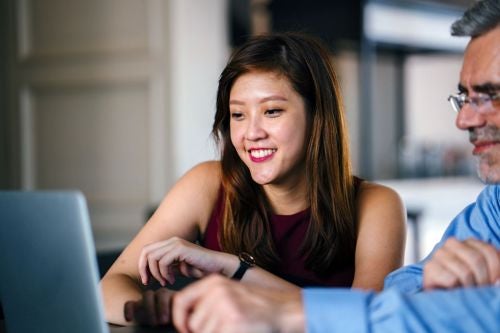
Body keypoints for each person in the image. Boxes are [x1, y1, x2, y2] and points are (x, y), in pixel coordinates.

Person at [170, 1, 500, 332]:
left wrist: (271, 301)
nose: (463, 119)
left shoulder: (374, 203)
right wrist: (435, 291)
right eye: (465, 98)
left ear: (317, 119)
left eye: (490, 95)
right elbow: (402, 291)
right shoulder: (494, 205)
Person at [100, 33, 406, 325]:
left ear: (318, 117)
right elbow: (110, 287)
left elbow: (363, 322)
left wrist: (235, 268)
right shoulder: (207, 183)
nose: (251, 133)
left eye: (272, 111)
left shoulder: (376, 205)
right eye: (238, 115)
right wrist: (154, 312)